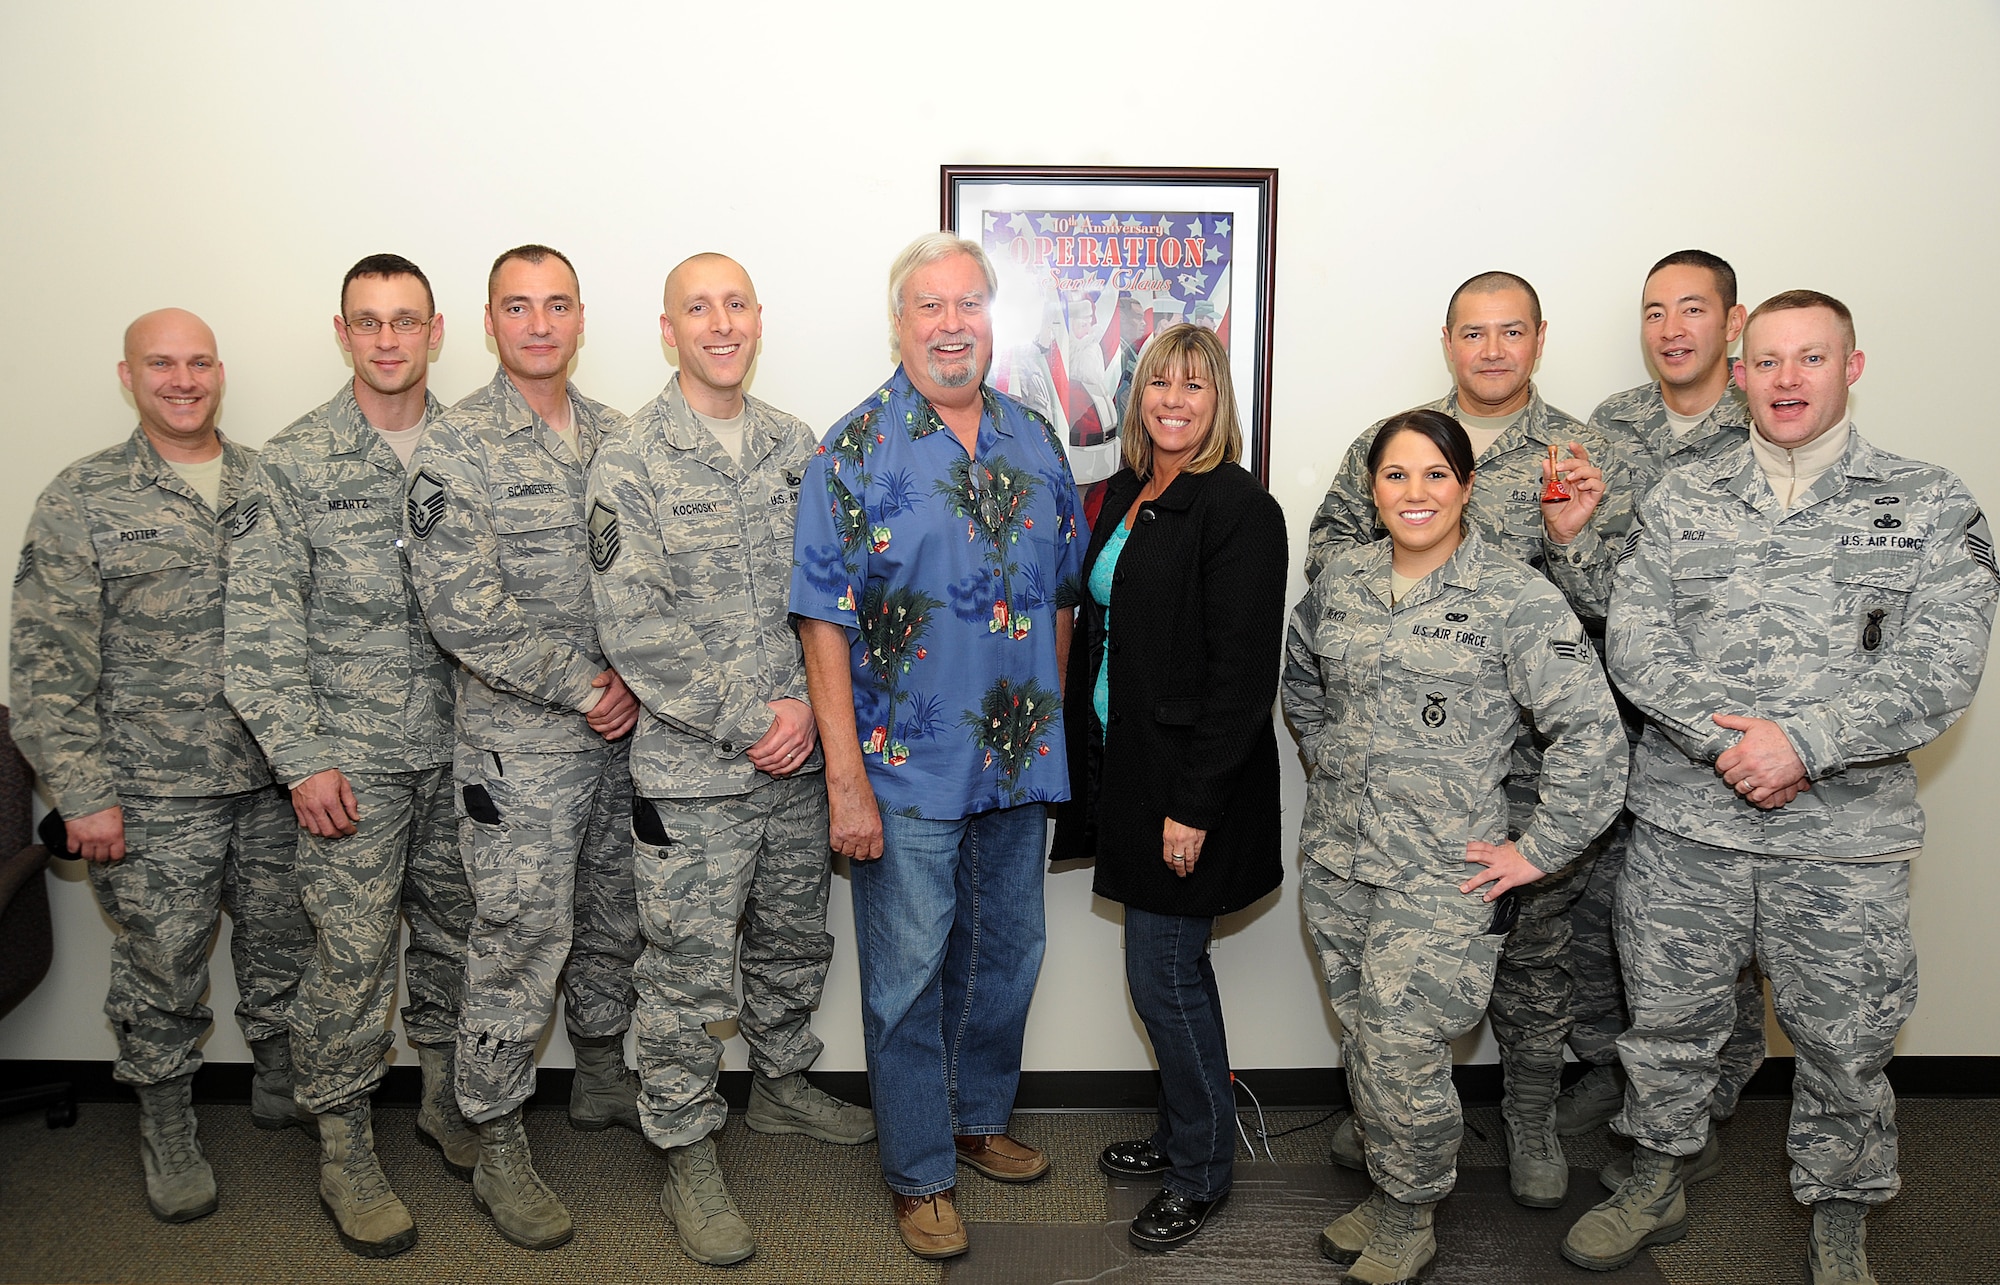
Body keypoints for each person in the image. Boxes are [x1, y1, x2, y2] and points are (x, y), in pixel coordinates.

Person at [1566, 292, 1998, 1284]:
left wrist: (1800, 743)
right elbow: (1634, 635)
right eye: (1765, 361)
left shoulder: (1926, 500)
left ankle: (1839, 1208)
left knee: (1845, 1038)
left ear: (1850, 366)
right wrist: (1721, 746)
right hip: (1688, 826)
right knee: (1667, 1022)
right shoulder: (1682, 496)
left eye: (1809, 358)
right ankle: (1655, 1175)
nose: (1786, 379)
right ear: (1737, 372)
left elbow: (1942, 666)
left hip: (1839, 841)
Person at [1302, 272, 1629, 1209]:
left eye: (1511, 331)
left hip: (1518, 775)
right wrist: (1345, 751)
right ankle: (1391, 1107)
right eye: (1474, 333)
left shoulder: (1584, 452)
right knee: (1383, 1012)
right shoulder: (1389, 438)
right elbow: (1324, 610)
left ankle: (1526, 1119)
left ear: (1537, 338)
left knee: (1533, 965)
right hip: (1391, 785)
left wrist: (1568, 543)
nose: (1492, 349)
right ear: (1447, 340)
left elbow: (1622, 613)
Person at [791, 232, 1086, 1261]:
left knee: (1006, 958)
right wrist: (844, 782)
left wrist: (1043, 717)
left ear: (988, 319)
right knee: (908, 975)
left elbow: (1059, 593)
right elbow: (820, 622)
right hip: (900, 766)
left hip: (1016, 763)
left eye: (969, 303)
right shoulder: (851, 450)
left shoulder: (1032, 437)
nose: (951, 323)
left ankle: (978, 1120)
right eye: (930, 305)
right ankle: (918, 1171)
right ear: (899, 321)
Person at [587, 253, 875, 1266]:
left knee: (794, 935)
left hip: (795, 762)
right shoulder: (630, 459)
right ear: (667, 331)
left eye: (735, 305)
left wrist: (805, 712)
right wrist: (755, 717)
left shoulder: (795, 446)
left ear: (759, 321)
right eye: (696, 309)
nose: (720, 324)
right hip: (695, 770)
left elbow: (829, 596)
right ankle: (683, 1142)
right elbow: (636, 628)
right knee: (683, 968)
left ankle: (783, 1083)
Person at [10, 309, 311, 1225]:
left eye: (199, 362)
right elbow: (46, 663)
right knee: (161, 965)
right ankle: (169, 1121)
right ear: (128, 375)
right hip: (151, 790)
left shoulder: (270, 481)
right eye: (161, 364)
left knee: (286, 945)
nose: (183, 379)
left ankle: (279, 1079)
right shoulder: (86, 496)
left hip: (272, 779)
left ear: (220, 371)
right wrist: (84, 793)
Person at [222, 255, 474, 1256]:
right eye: (366, 322)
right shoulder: (292, 462)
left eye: (403, 321)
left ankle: (449, 1102)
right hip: (350, 766)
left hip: (465, 754)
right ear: (341, 333)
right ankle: (344, 1141)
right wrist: (301, 759)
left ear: (435, 330)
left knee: (461, 942)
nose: (385, 340)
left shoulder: (471, 449)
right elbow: (256, 633)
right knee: (352, 957)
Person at [405, 245, 642, 1252]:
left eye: (555, 305)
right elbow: (463, 611)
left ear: (580, 318)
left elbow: (653, 582)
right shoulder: (453, 447)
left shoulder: (625, 439)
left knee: (612, 918)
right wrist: (584, 680)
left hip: (626, 739)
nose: (538, 323)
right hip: (519, 752)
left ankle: (596, 1078)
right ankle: (494, 1137)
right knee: (515, 945)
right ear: (490, 323)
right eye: (518, 306)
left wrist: (640, 677)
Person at [1049, 324, 1288, 1250]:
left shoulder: (1237, 508)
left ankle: (1201, 1170)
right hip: (1131, 771)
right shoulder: (1131, 495)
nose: (1173, 401)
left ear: (1216, 398)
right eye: (1158, 385)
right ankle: (1186, 1130)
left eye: (1193, 385)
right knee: (1167, 976)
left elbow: (1240, 679)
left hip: (1191, 787)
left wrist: (1191, 806)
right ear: (1137, 398)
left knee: (1165, 978)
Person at [1561, 250, 1768, 1174]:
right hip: (1626, 715)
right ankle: (1620, 1070)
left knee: (1730, 930)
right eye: (1654, 311)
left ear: (1734, 322)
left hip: (1731, 725)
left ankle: (1709, 1103)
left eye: (1692, 309)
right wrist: (1569, 545)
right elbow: (1595, 577)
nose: (1672, 328)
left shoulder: (1768, 419)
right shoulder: (1612, 426)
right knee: (1618, 917)